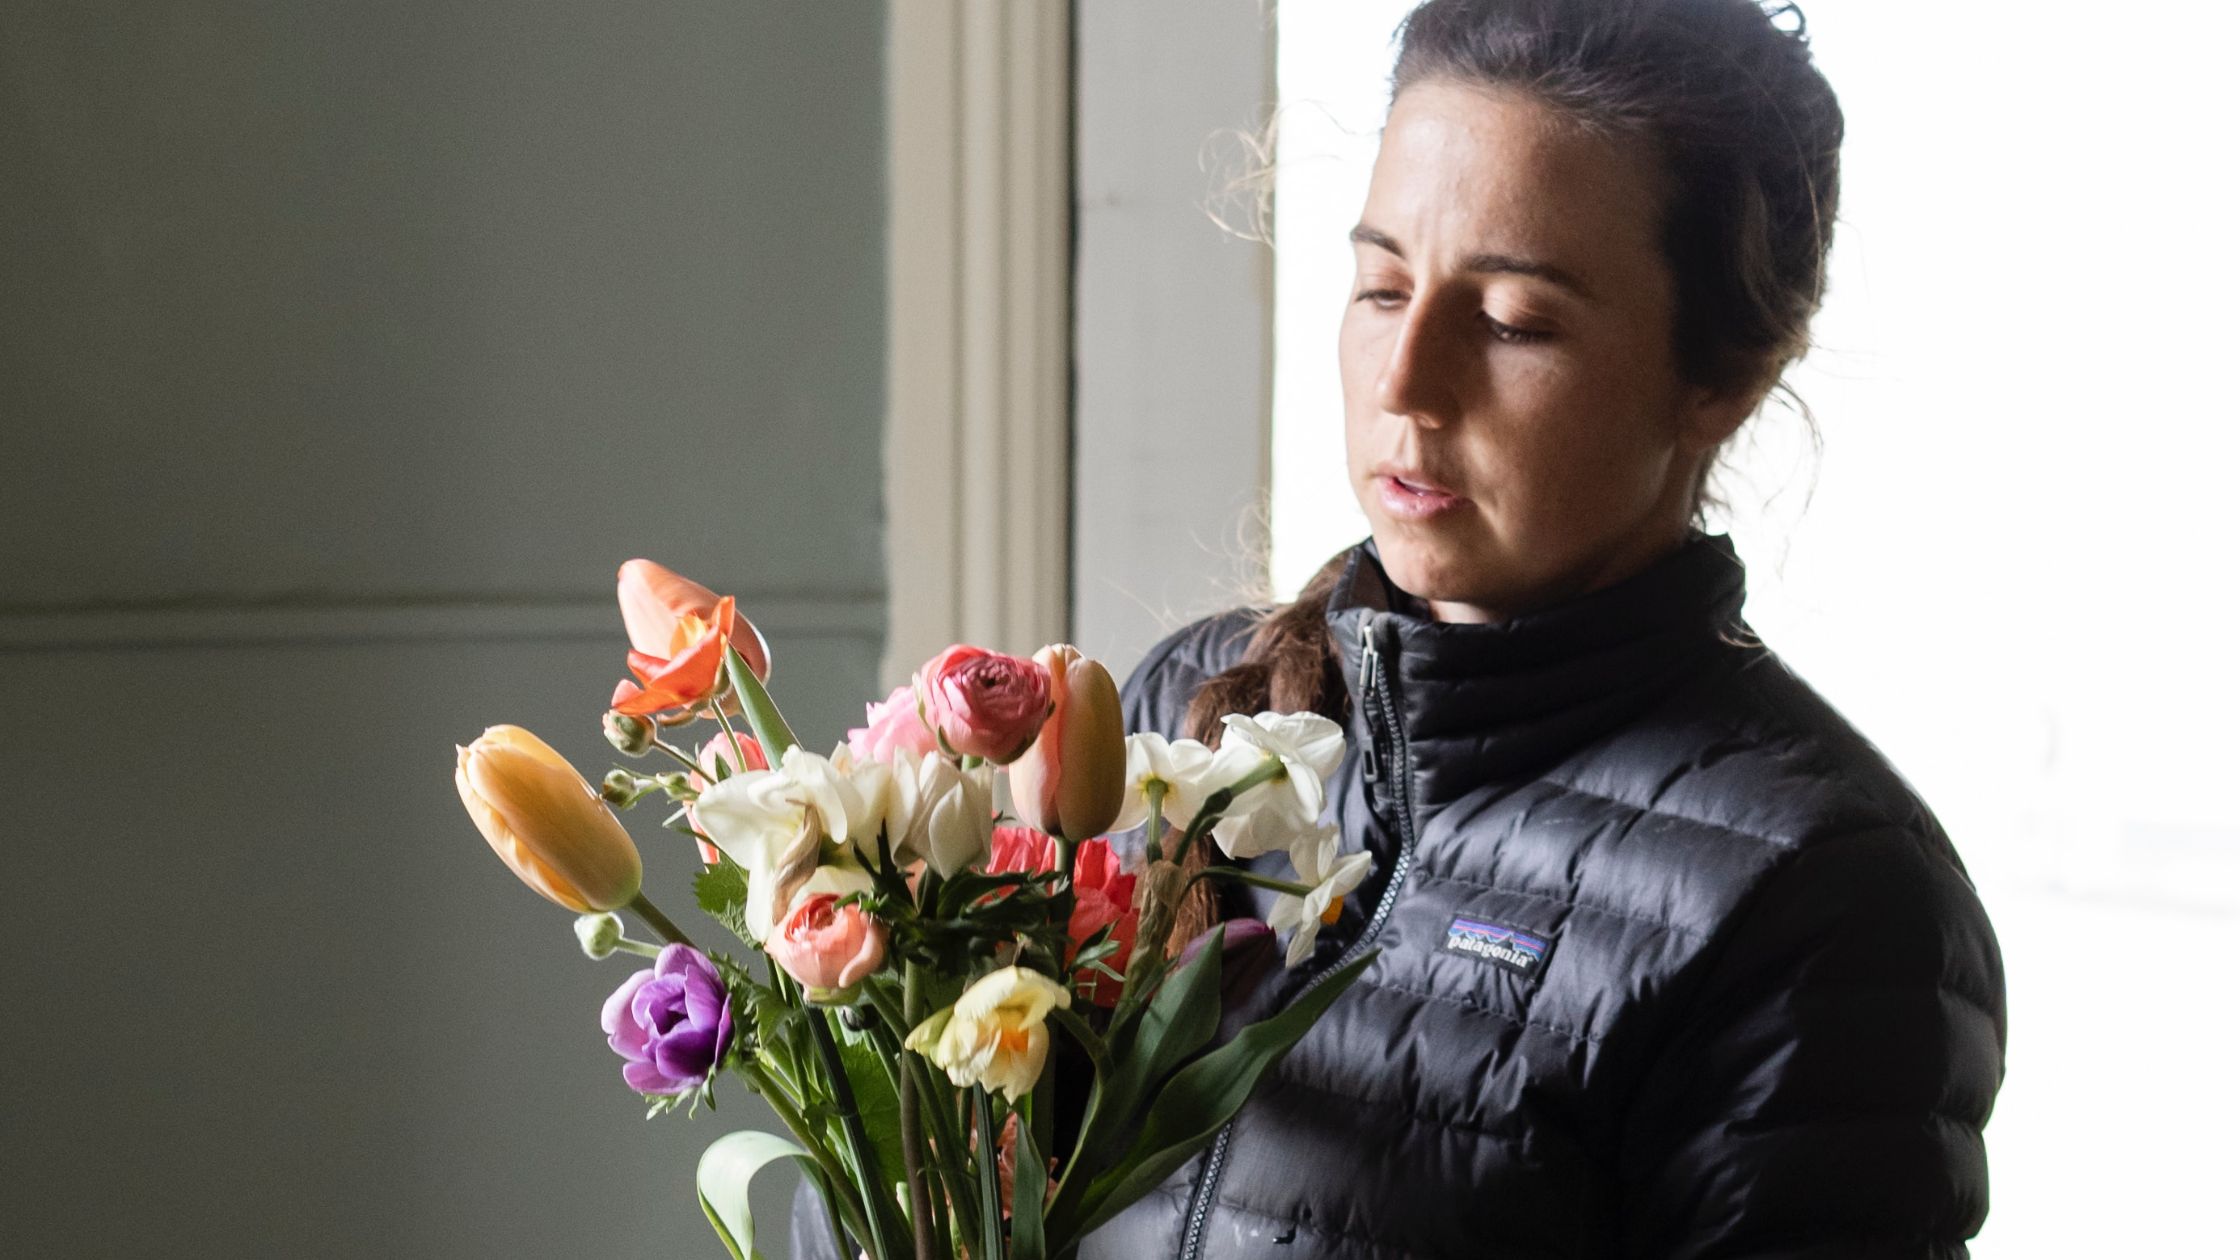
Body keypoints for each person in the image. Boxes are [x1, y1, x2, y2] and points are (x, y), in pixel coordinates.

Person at [1085, 1, 2005, 1258]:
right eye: (1380, 286)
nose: (1404, 383)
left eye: (1512, 320)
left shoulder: (1821, 902)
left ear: (1719, 381)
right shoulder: (1186, 707)